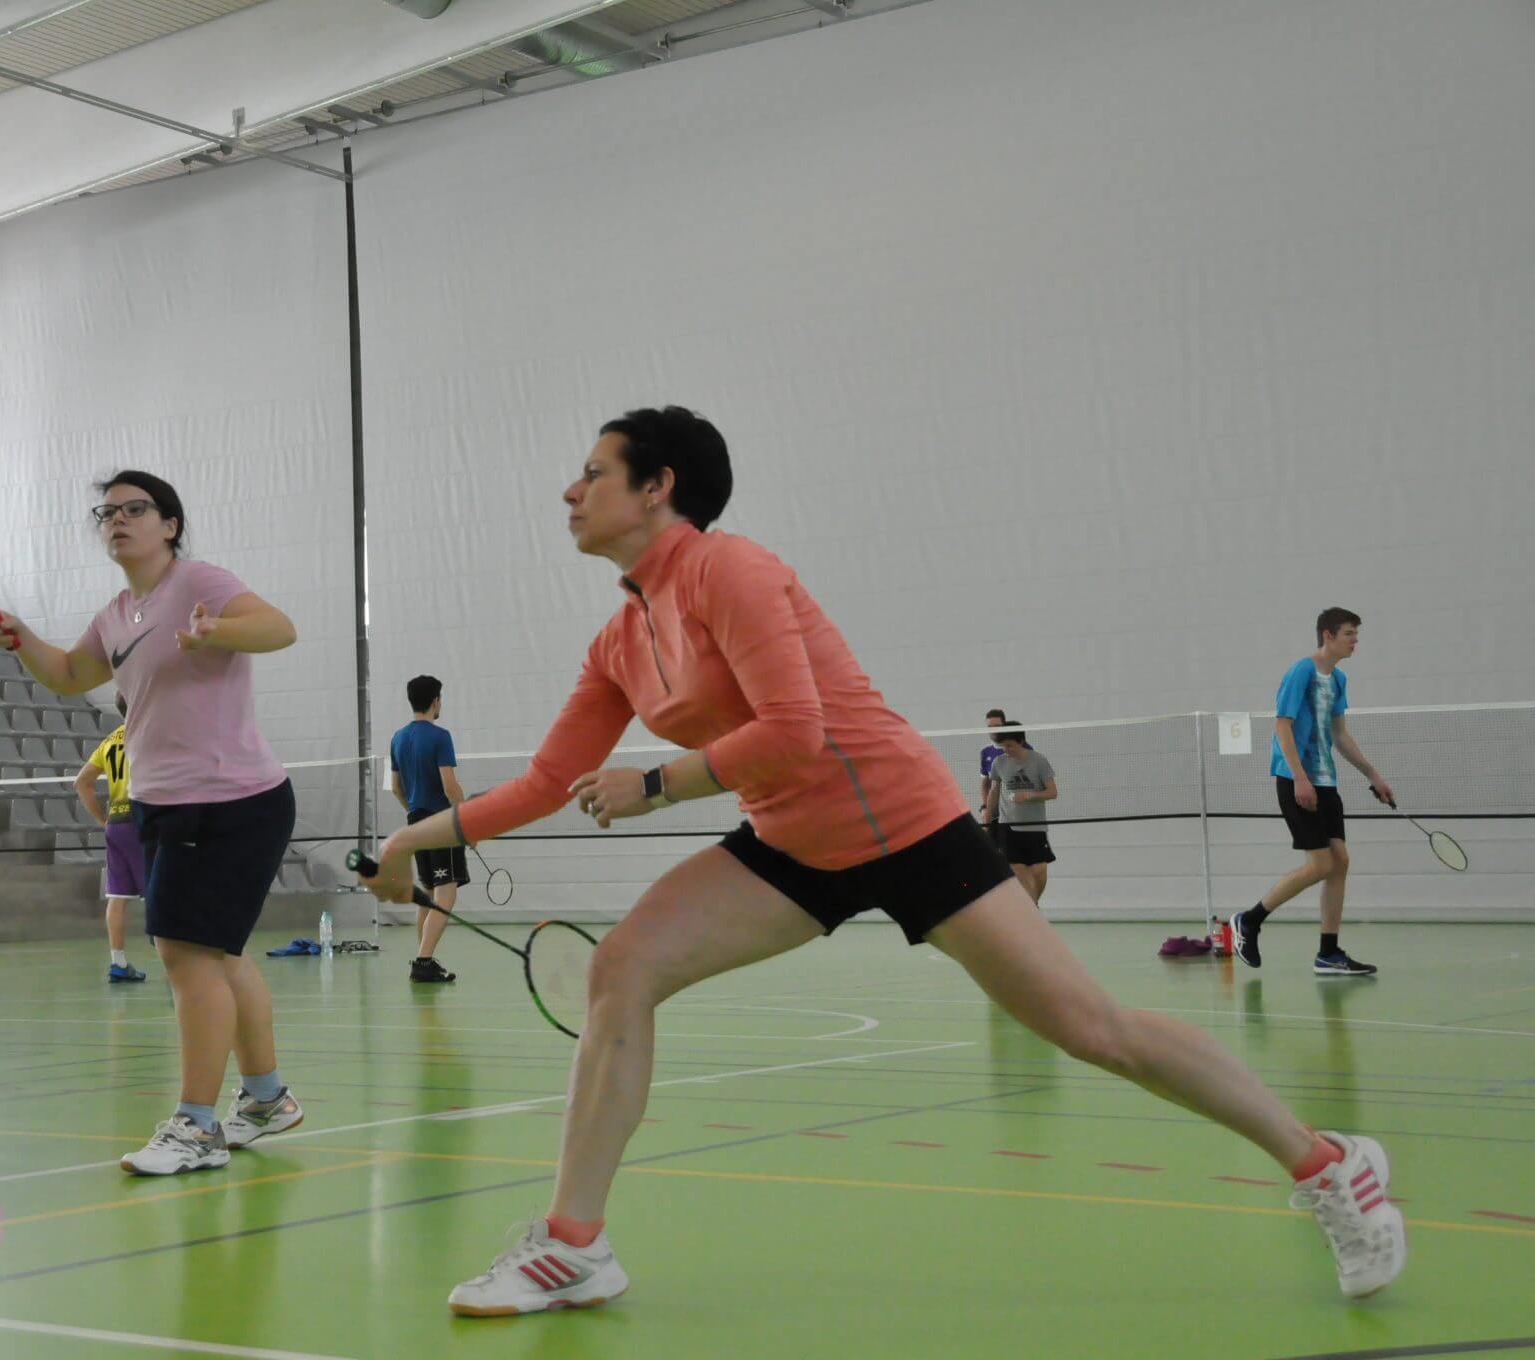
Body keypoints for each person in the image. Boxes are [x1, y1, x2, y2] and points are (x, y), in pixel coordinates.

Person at [359, 407, 1405, 1314]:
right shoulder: (618, 641)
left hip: (903, 826)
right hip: (788, 846)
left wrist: (660, 782)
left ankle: (1328, 1166)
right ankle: (573, 1244)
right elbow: (545, 783)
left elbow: (797, 731)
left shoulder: (731, 569)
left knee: (1093, 1029)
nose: (568, 489)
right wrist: (412, 838)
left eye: (591, 471)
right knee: (619, 967)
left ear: (656, 486)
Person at [0, 468, 304, 1175]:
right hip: (166, 801)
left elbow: (279, 628)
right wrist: (23, 636)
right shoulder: (116, 613)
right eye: (107, 512)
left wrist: (216, 629)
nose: (118, 520)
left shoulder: (198, 583)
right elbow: (70, 674)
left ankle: (195, 1126)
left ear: (169, 524)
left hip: (226, 797)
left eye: (135, 509)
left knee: (184, 957)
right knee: (217, 955)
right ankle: (264, 1098)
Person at [1231, 609, 1392, 977]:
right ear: (1327, 635)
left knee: (1340, 861)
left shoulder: (1338, 680)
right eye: (1349, 633)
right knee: (1320, 864)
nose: (1355, 640)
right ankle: (1249, 921)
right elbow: (1282, 726)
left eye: (1356, 634)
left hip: (1326, 782)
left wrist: (1373, 775)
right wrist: (1299, 777)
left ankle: (1328, 952)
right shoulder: (1301, 671)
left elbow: (1340, 734)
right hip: (1296, 780)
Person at [389, 674, 465, 983]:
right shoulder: (439, 736)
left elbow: (396, 788)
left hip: (416, 821)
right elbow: (449, 786)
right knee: (446, 894)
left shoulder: (396, 738)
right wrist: (465, 817)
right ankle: (423, 961)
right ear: (435, 701)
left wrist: (413, 813)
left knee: (431, 894)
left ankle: (425, 959)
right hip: (442, 824)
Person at [77, 694, 146, 983]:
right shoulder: (147, 733)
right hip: (143, 818)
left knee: (117, 896)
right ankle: (178, 961)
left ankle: (118, 963)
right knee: (159, 892)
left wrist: (101, 820)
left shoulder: (110, 739)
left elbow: (81, 783)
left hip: (116, 824)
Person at [984, 726, 1057, 903]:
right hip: (1008, 825)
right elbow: (994, 791)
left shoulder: (1039, 761)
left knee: (1039, 871)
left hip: (1035, 825)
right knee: (1018, 871)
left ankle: (1033, 905)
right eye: (1003, 746)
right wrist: (987, 817)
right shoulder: (999, 763)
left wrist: (1029, 796)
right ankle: (1031, 910)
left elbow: (1052, 792)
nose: (1006, 750)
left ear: (1021, 742)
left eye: (1010, 745)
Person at [977, 708, 1010, 828]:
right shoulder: (985, 752)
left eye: (997, 726)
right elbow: (985, 783)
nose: (993, 730)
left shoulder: (1021, 748)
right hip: (994, 807)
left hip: (1016, 808)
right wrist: (985, 807)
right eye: (990, 727)